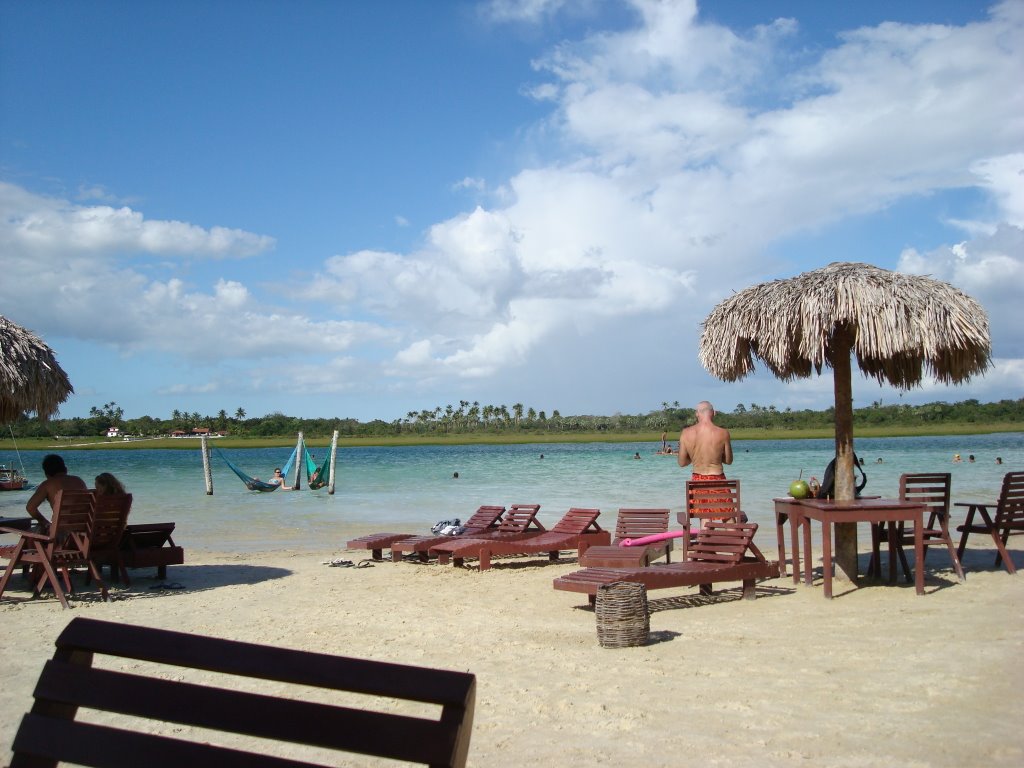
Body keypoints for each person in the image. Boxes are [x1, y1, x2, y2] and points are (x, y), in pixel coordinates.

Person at [25, 454, 88, 530]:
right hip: (84, 529)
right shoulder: (79, 481)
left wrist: (44, 522)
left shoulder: (48, 484)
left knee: (30, 532)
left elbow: (30, 508)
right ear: (65, 469)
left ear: (46, 474)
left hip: (61, 531)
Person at [677, 401, 733, 480]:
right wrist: (717, 457)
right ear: (714, 413)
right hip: (718, 482)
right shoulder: (723, 433)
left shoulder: (686, 433)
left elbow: (682, 463)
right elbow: (728, 461)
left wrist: (693, 458)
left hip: (697, 484)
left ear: (697, 413)